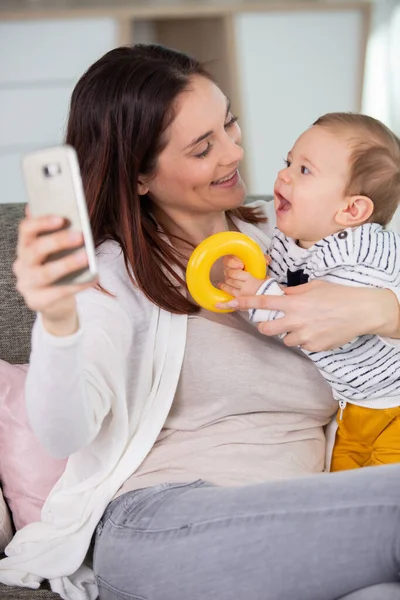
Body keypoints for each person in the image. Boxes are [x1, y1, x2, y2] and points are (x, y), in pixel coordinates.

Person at [2, 44, 400, 600]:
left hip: (307, 522)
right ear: (140, 175)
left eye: (230, 122)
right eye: (201, 147)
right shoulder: (112, 279)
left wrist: (387, 313)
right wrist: (58, 318)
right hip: (164, 525)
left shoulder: (299, 242)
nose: (234, 151)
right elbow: (64, 432)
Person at [218, 112, 400, 473]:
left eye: (304, 170)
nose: (283, 174)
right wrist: (249, 270)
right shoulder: (293, 235)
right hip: (355, 406)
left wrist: (257, 294)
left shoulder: (363, 253)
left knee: (383, 499)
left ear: (351, 209)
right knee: (343, 489)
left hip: (395, 406)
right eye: (288, 162)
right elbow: (280, 276)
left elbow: (320, 324)